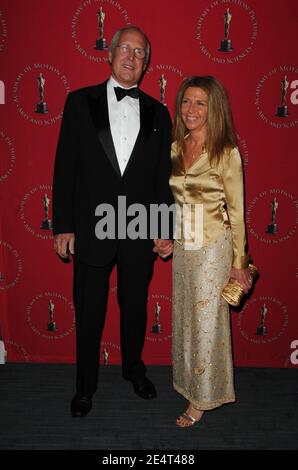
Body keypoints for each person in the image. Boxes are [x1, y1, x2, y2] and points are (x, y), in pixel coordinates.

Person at [52, 25, 174, 418]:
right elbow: (64, 168)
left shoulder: (159, 112)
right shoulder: (78, 103)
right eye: (125, 48)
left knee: (135, 307)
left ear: (146, 63)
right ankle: (84, 387)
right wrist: (64, 226)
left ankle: (134, 371)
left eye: (140, 52)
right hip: (91, 226)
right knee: (89, 311)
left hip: (139, 225)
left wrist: (162, 227)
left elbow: (161, 177)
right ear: (110, 54)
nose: (131, 57)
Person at [169, 76, 252, 427]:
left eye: (200, 103)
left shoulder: (226, 152)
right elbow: (177, 201)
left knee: (206, 324)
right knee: (187, 321)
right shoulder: (176, 147)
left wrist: (239, 264)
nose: (191, 110)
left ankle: (201, 400)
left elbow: (237, 212)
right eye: (186, 102)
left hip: (213, 248)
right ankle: (190, 383)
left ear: (213, 108)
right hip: (183, 246)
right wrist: (164, 236)